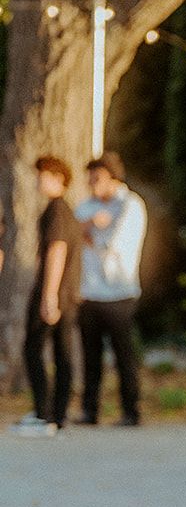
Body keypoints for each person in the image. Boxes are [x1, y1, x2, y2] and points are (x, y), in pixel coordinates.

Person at [75, 151, 147, 427]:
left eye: (98, 178)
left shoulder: (130, 205)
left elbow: (115, 246)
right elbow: (73, 231)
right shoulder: (87, 207)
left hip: (119, 292)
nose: (92, 183)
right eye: (90, 179)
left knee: (123, 355)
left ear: (113, 178)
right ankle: (89, 410)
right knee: (90, 356)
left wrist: (90, 234)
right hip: (90, 290)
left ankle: (131, 410)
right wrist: (90, 226)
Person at [14, 155, 83, 438]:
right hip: (68, 293)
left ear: (58, 178)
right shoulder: (66, 211)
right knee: (62, 351)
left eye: (43, 175)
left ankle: (45, 412)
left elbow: (57, 250)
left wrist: (49, 294)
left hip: (54, 291)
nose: (38, 181)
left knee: (33, 348)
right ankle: (58, 413)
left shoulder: (56, 210)